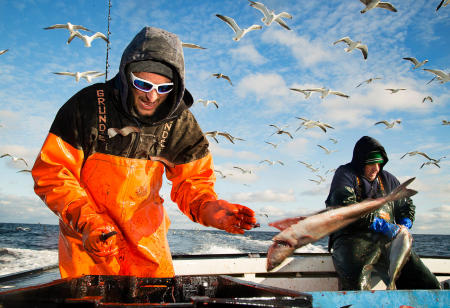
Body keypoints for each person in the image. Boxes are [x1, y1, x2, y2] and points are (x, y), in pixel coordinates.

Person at [31, 26, 257, 279]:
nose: (152, 96)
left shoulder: (180, 121)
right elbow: (53, 172)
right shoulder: (86, 106)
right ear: (127, 76)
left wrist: (210, 208)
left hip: (148, 247)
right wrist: (88, 221)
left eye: (164, 88)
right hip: (89, 244)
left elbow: (193, 182)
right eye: (142, 84)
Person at [325, 136, 440, 290]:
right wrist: (377, 224)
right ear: (360, 161)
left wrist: (406, 220)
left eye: (379, 163)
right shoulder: (345, 174)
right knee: (357, 287)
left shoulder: (388, 179)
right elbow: (345, 207)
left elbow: (406, 205)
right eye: (371, 163)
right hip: (351, 242)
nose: (376, 168)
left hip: (388, 241)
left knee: (427, 284)